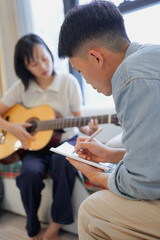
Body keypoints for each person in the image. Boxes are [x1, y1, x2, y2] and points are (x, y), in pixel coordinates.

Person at [58, 1, 160, 239]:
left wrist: (97, 175)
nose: (86, 82)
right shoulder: (150, 55)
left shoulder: (129, 78)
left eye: (80, 71)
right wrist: (110, 155)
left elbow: (143, 183)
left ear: (96, 57)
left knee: (92, 211)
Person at [0, 33, 98, 240]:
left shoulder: (68, 82)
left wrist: (88, 130)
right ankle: (32, 224)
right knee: (28, 172)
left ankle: (55, 225)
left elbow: (79, 120)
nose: (42, 66)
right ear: (25, 67)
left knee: (63, 162)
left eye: (44, 58)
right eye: (34, 64)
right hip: (34, 145)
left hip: (65, 139)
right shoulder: (21, 88)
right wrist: (14, 127)